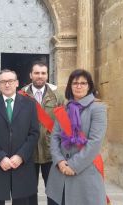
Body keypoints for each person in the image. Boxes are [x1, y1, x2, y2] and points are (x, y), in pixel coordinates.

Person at [46, 69, 108, 205]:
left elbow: (95, 142)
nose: (79, 86)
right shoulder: (64, 108)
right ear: (70, 86)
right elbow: (55, 137)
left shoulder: (98, 108)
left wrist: (73, 165)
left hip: (84, 174)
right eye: (75, 83)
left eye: (83, 83)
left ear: (89, 86)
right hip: (59, 174)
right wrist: (59, 161)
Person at [0, 69, 39, 205]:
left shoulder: (30, 105)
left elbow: (34, 133)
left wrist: (20, 156)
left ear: (17, 83)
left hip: (22, 164)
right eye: (3, 82)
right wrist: (0, 157)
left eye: (10, 81)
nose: (7, 85)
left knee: (22, 201)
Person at [21, 60, 63, 205]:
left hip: (51, 151)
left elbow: (65, 123)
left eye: (43, 73)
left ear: (47, 75)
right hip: (29, 152)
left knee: (54, 191)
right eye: (37, 73)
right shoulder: (21, 95)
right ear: (31, 75)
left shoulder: (58, 95)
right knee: (29, 192)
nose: (40, 76)